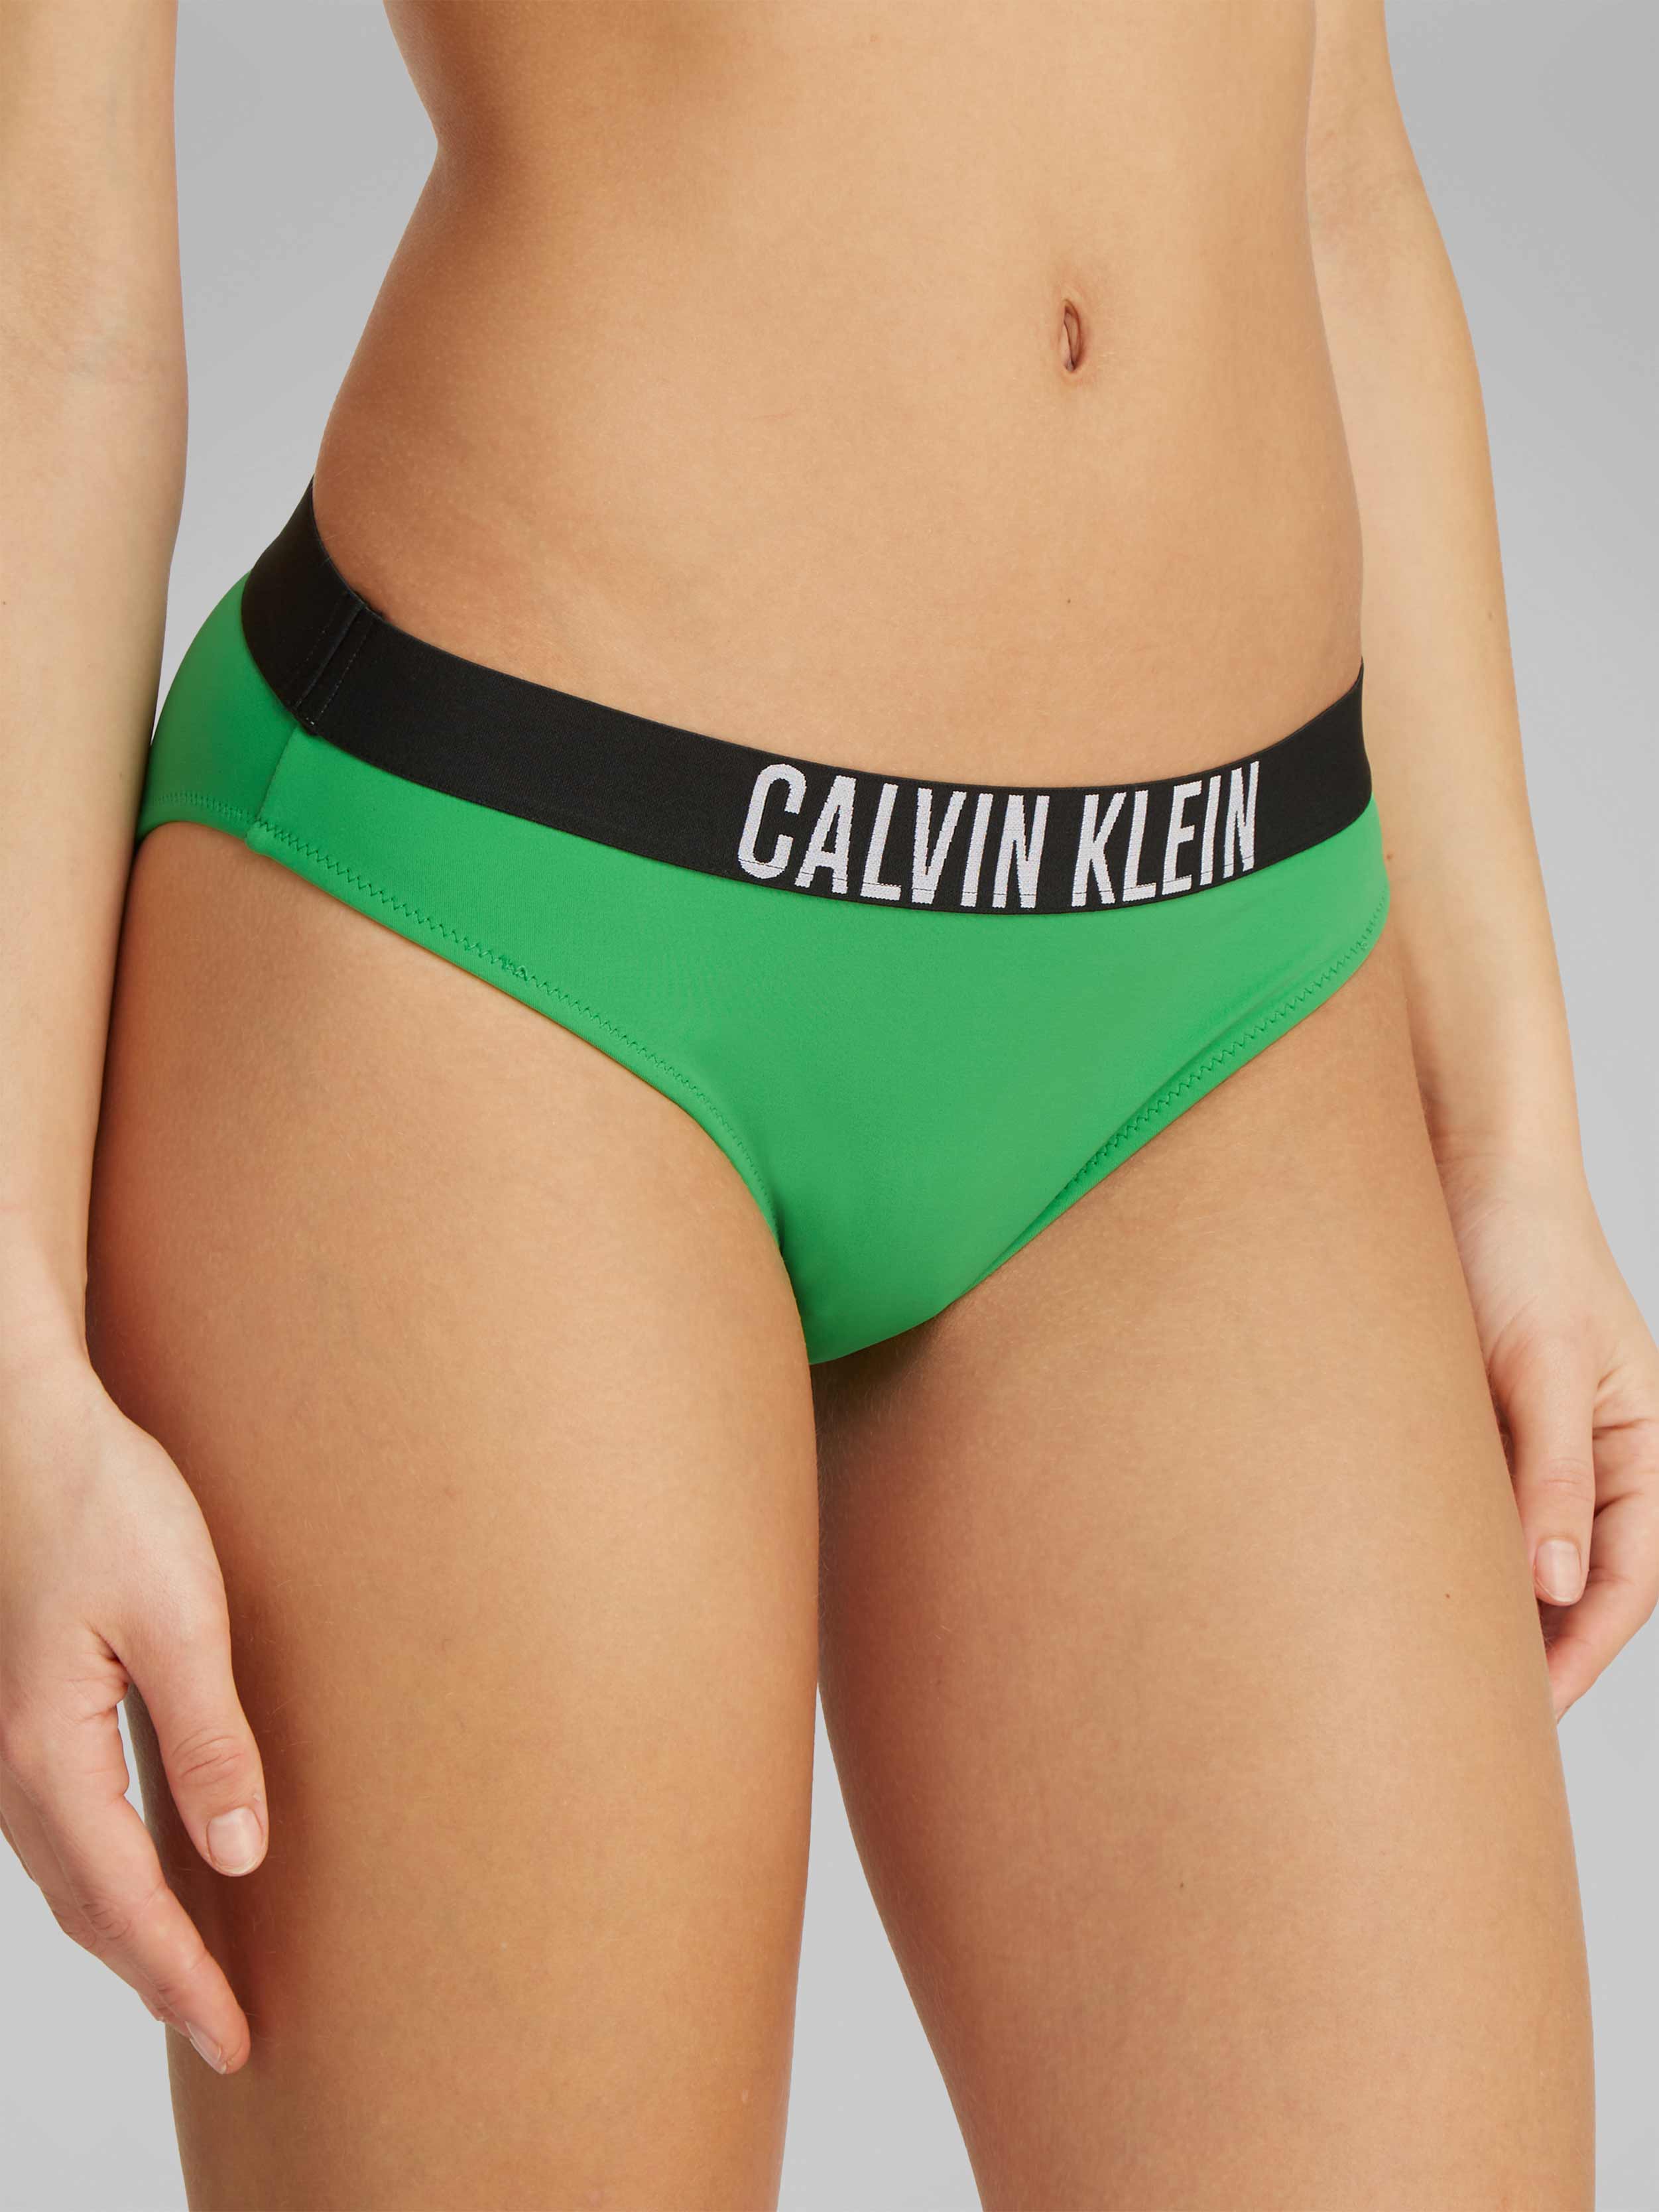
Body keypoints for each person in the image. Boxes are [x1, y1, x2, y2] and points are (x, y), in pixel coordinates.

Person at [3, 2, 1654, 2205]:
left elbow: (1333, 163)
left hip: (1220, 1003)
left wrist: (1515, 1138)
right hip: (519, 940)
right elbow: (52, 309)